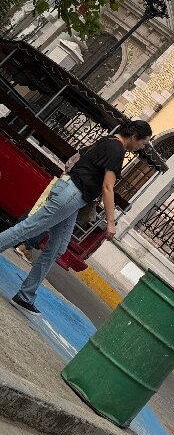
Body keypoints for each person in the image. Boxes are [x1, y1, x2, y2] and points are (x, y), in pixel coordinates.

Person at [0, 121, 152, 314]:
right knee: (29, 228)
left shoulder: (108, 141)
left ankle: (25, 295)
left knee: (57, 247)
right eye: (143, 142)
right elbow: (108, 187)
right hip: (72, 194)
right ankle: (25, 294)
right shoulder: (116, 149)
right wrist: (111, 222)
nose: (142, 147)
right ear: (134, 136)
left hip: (72, 195)